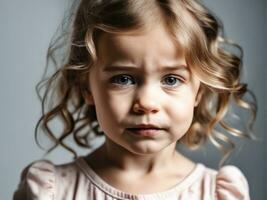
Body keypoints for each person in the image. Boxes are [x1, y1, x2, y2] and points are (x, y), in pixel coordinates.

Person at [13, 0, 257, 199]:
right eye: (124, 79)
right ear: (86, 86)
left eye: (171, 79)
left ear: (199, 91)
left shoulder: (216, 194)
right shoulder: (51, 191)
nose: (147, 103)